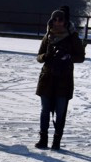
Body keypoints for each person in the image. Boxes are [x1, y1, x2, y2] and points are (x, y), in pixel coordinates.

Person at [34, 8, 85, 150]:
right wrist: (46, 56)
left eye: (60, 19)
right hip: (47, 78)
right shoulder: (48, 36)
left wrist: (68, 57)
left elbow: (81, 57)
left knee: (60, 111)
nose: (57, 22)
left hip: (64, 79)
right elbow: (39, 56)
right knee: (45, 110)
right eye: (55, 19)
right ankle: (43, 138)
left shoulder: (73, 37)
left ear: (65, 21)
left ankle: (56, 140)